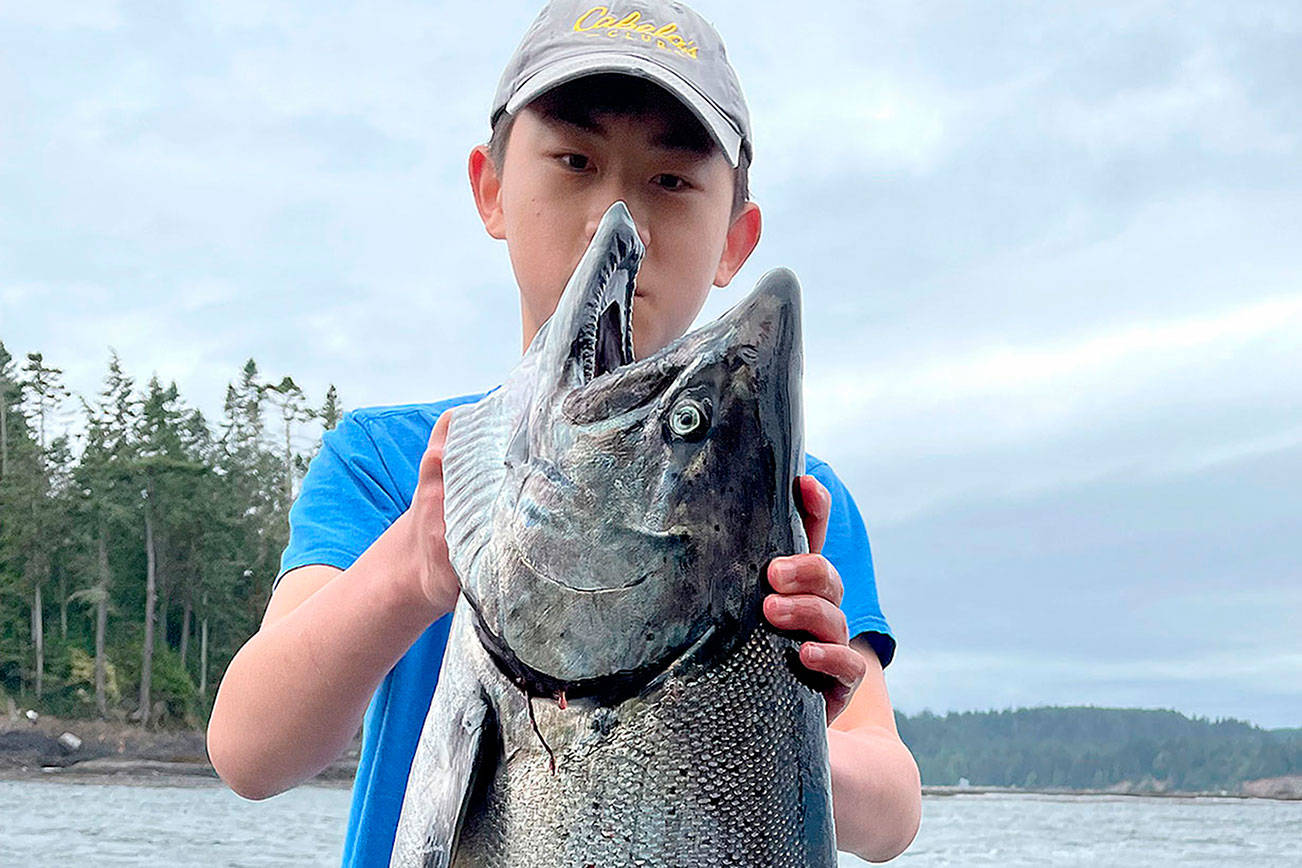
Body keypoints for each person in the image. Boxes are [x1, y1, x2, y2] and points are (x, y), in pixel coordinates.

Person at [207, 1, 921, 863]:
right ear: (491, 188)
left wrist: (789, 721)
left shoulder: (796, 503)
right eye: (575, 161)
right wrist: (414, 567)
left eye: (672, 181)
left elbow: (891, 813)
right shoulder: (386, 464)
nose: (612, 219)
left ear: (736, 239)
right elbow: (251, 751)